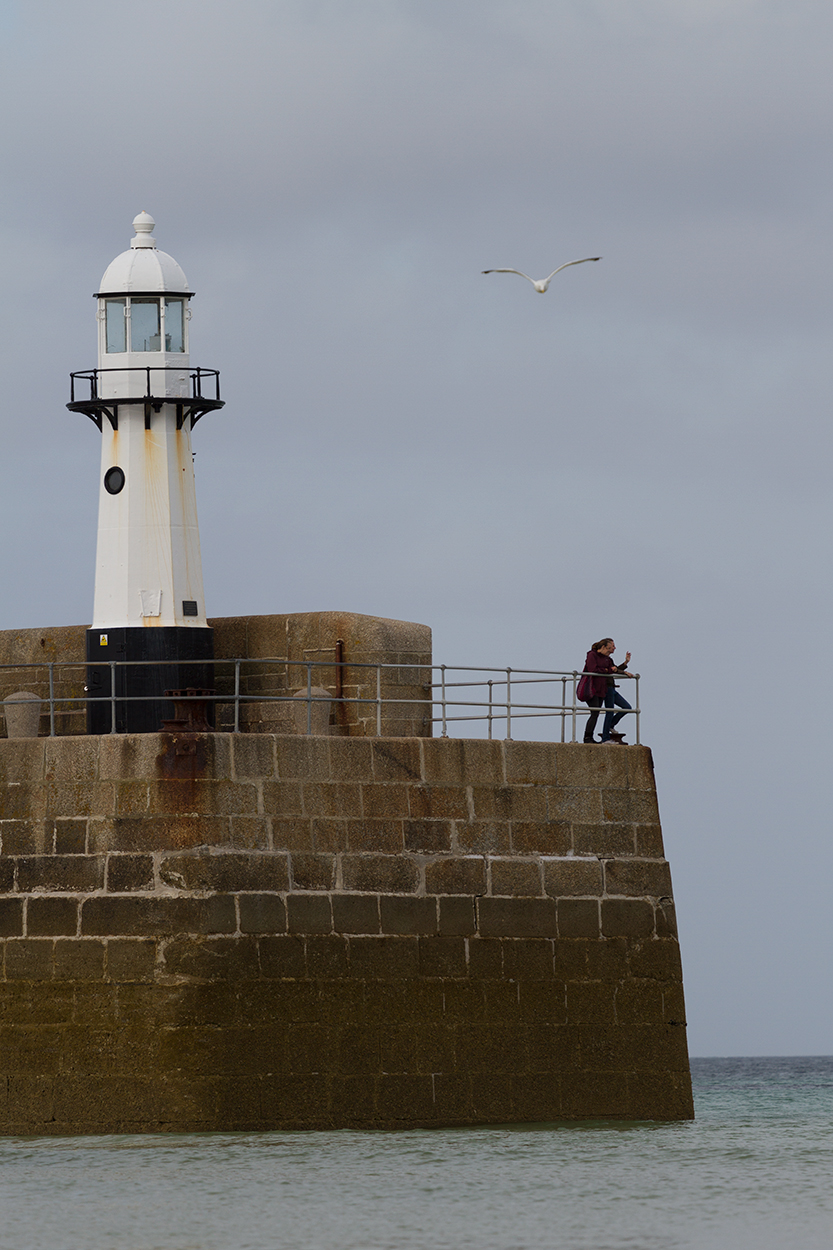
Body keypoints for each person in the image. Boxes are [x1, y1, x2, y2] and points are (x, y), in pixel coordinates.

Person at [581, 638, 633, 743]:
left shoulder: (607, 659)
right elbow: (595, 669)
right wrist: (607, 670)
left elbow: (614, 669)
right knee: (600, 712)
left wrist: (625, 665)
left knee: (626, 707)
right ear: (604, 647)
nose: (614, 648)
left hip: (604, 689)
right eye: (611, 647)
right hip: (598, 688)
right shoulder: (593, 655)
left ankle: (607, 728)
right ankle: (595, 737)